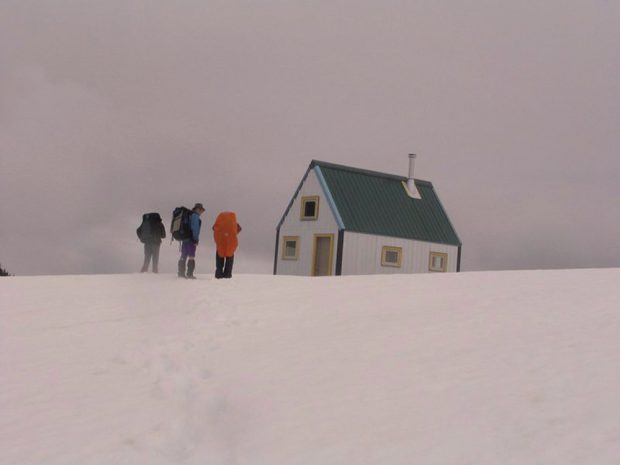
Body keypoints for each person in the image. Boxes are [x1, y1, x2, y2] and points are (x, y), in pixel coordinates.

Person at [178, 203, 205, 279]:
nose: (201, 212)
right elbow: (195, 228)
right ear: (197, 209)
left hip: (184, 238)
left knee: (183, 255)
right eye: (201, 210)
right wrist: (196, 239)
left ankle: (181, 273)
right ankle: (190, 274)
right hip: (191, 239)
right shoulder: (195, 216)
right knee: (191, 256)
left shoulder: (188, 215)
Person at [212, 211, 242, 279]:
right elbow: (240, 229)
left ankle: (219, 275)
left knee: (219, 257)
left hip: (221, 243)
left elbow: (214, 228)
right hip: (230, 243)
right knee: (230, 257)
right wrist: (232, 233)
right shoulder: (233, 223)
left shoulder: (219, 223)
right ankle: (227, 275)